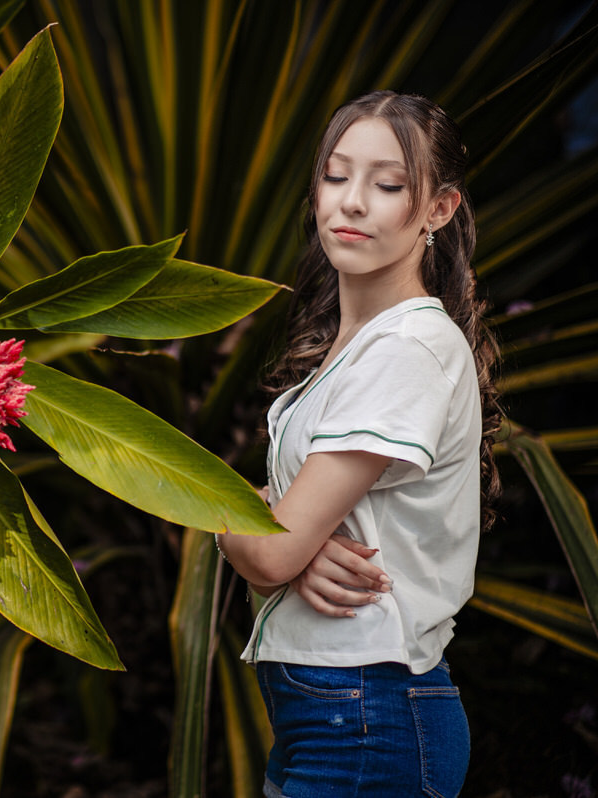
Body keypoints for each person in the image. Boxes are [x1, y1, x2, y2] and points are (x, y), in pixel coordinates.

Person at [217, 90, 502, 797]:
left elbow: (275, 547)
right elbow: (283, 539)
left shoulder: (407, 349)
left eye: (388, 184)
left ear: (439, 209)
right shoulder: (358, 346)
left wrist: (236, 526)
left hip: (368, 719)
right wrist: (280, 536)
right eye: (336, 175)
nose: (350, 202)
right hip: (334, 715)